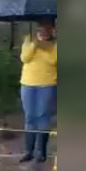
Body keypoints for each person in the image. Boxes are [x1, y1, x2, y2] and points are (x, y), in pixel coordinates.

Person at [18, 19, 57, 163]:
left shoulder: (55, 44)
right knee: (29, 117)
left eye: (47, 28)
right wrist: (36, 44)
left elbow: (53, 60)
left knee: (42, 117)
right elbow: (25, 58)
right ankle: (28, 151)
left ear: (53, 29)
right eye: (41, 28)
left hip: (47, 85)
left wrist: (44, 47)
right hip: (27, 84)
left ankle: (40, 152)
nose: (44, 31)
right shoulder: (29, 39)